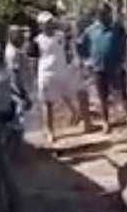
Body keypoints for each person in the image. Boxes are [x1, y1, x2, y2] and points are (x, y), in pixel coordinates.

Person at [79, 2, 127, 133]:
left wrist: (122, 60)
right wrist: (87, 61)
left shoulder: (117, 27)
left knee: (123, 94)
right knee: (102, 97)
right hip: (99, 68)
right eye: (101, 14)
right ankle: (106, 123)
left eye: (105, 13)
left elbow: (123, 44)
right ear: (97, 16)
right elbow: (82, 47)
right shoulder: (90, 31)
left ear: (110, 13)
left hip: (116, 66)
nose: (103, 16)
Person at [35, 11, 89, 143]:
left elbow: (71, 45)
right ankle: (49, 131)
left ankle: (87, 122)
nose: (50, 25)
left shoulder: (61, 36)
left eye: (51, 22)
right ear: (41, 25)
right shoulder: (37, 41)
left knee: (81, 91)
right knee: (47, 103)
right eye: (47, 23)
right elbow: (33, 59)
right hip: (47, 74)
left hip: (64, 71)